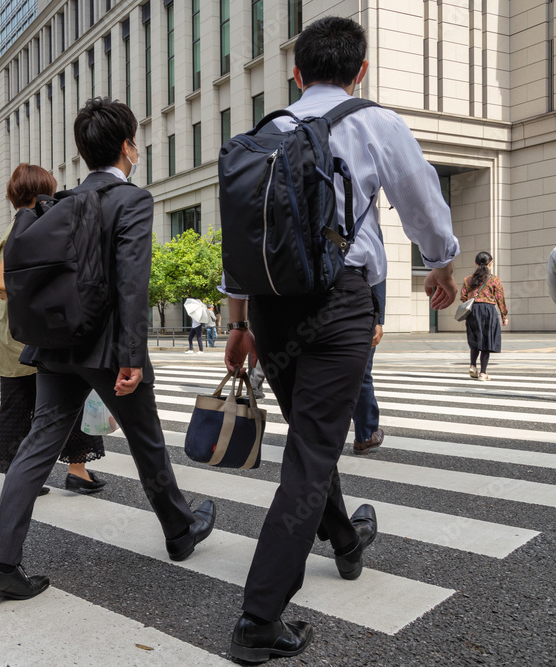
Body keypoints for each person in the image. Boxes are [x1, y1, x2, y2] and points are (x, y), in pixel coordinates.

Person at [223, 18, 460, 662]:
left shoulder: (264, 133)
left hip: (271, 309)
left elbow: (240, 236)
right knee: (311, 452)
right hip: (338, 304)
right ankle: (259, 616)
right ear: (360, 71)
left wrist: (238, 321)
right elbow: (424, 204)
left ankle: (347, 544)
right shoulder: (374, 121)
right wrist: (441, 262)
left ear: (295, 74)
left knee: (310, 435)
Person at [0, 98, 216, 602]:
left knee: (38, 445)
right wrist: (131, 354)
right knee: (146, 439)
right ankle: (179, 529)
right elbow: (132, 282)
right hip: (107, 349)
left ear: (84, 152)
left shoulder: (60, 202)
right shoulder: (131, 200)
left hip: (54, 344)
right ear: (128, 146)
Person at [0, 163, 107, 495]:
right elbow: (3, 284)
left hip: (12, 330)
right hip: (29, 332)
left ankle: (36, 474)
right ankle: (70, 471)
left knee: (28, 401)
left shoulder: (16, 226)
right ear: (45, 189)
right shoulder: (35, 225)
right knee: (61, 396)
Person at [460, 251, 508, 381]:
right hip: (488, 311)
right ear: (490, 263)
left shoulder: (467, 279)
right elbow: (500, 298)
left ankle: (472, 366)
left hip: (473, 311)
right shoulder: (494, 279)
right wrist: (504, 316)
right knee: (486, 341)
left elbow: (463, 297)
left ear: (475, 263)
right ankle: (483, 373)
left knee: (474, 339)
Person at [352, 281, 386, 454]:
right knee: (361, 372)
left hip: (316, 311)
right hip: (358, 309)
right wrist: (377, 319)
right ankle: (364, 436)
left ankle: (312, 436)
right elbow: (377, 277)